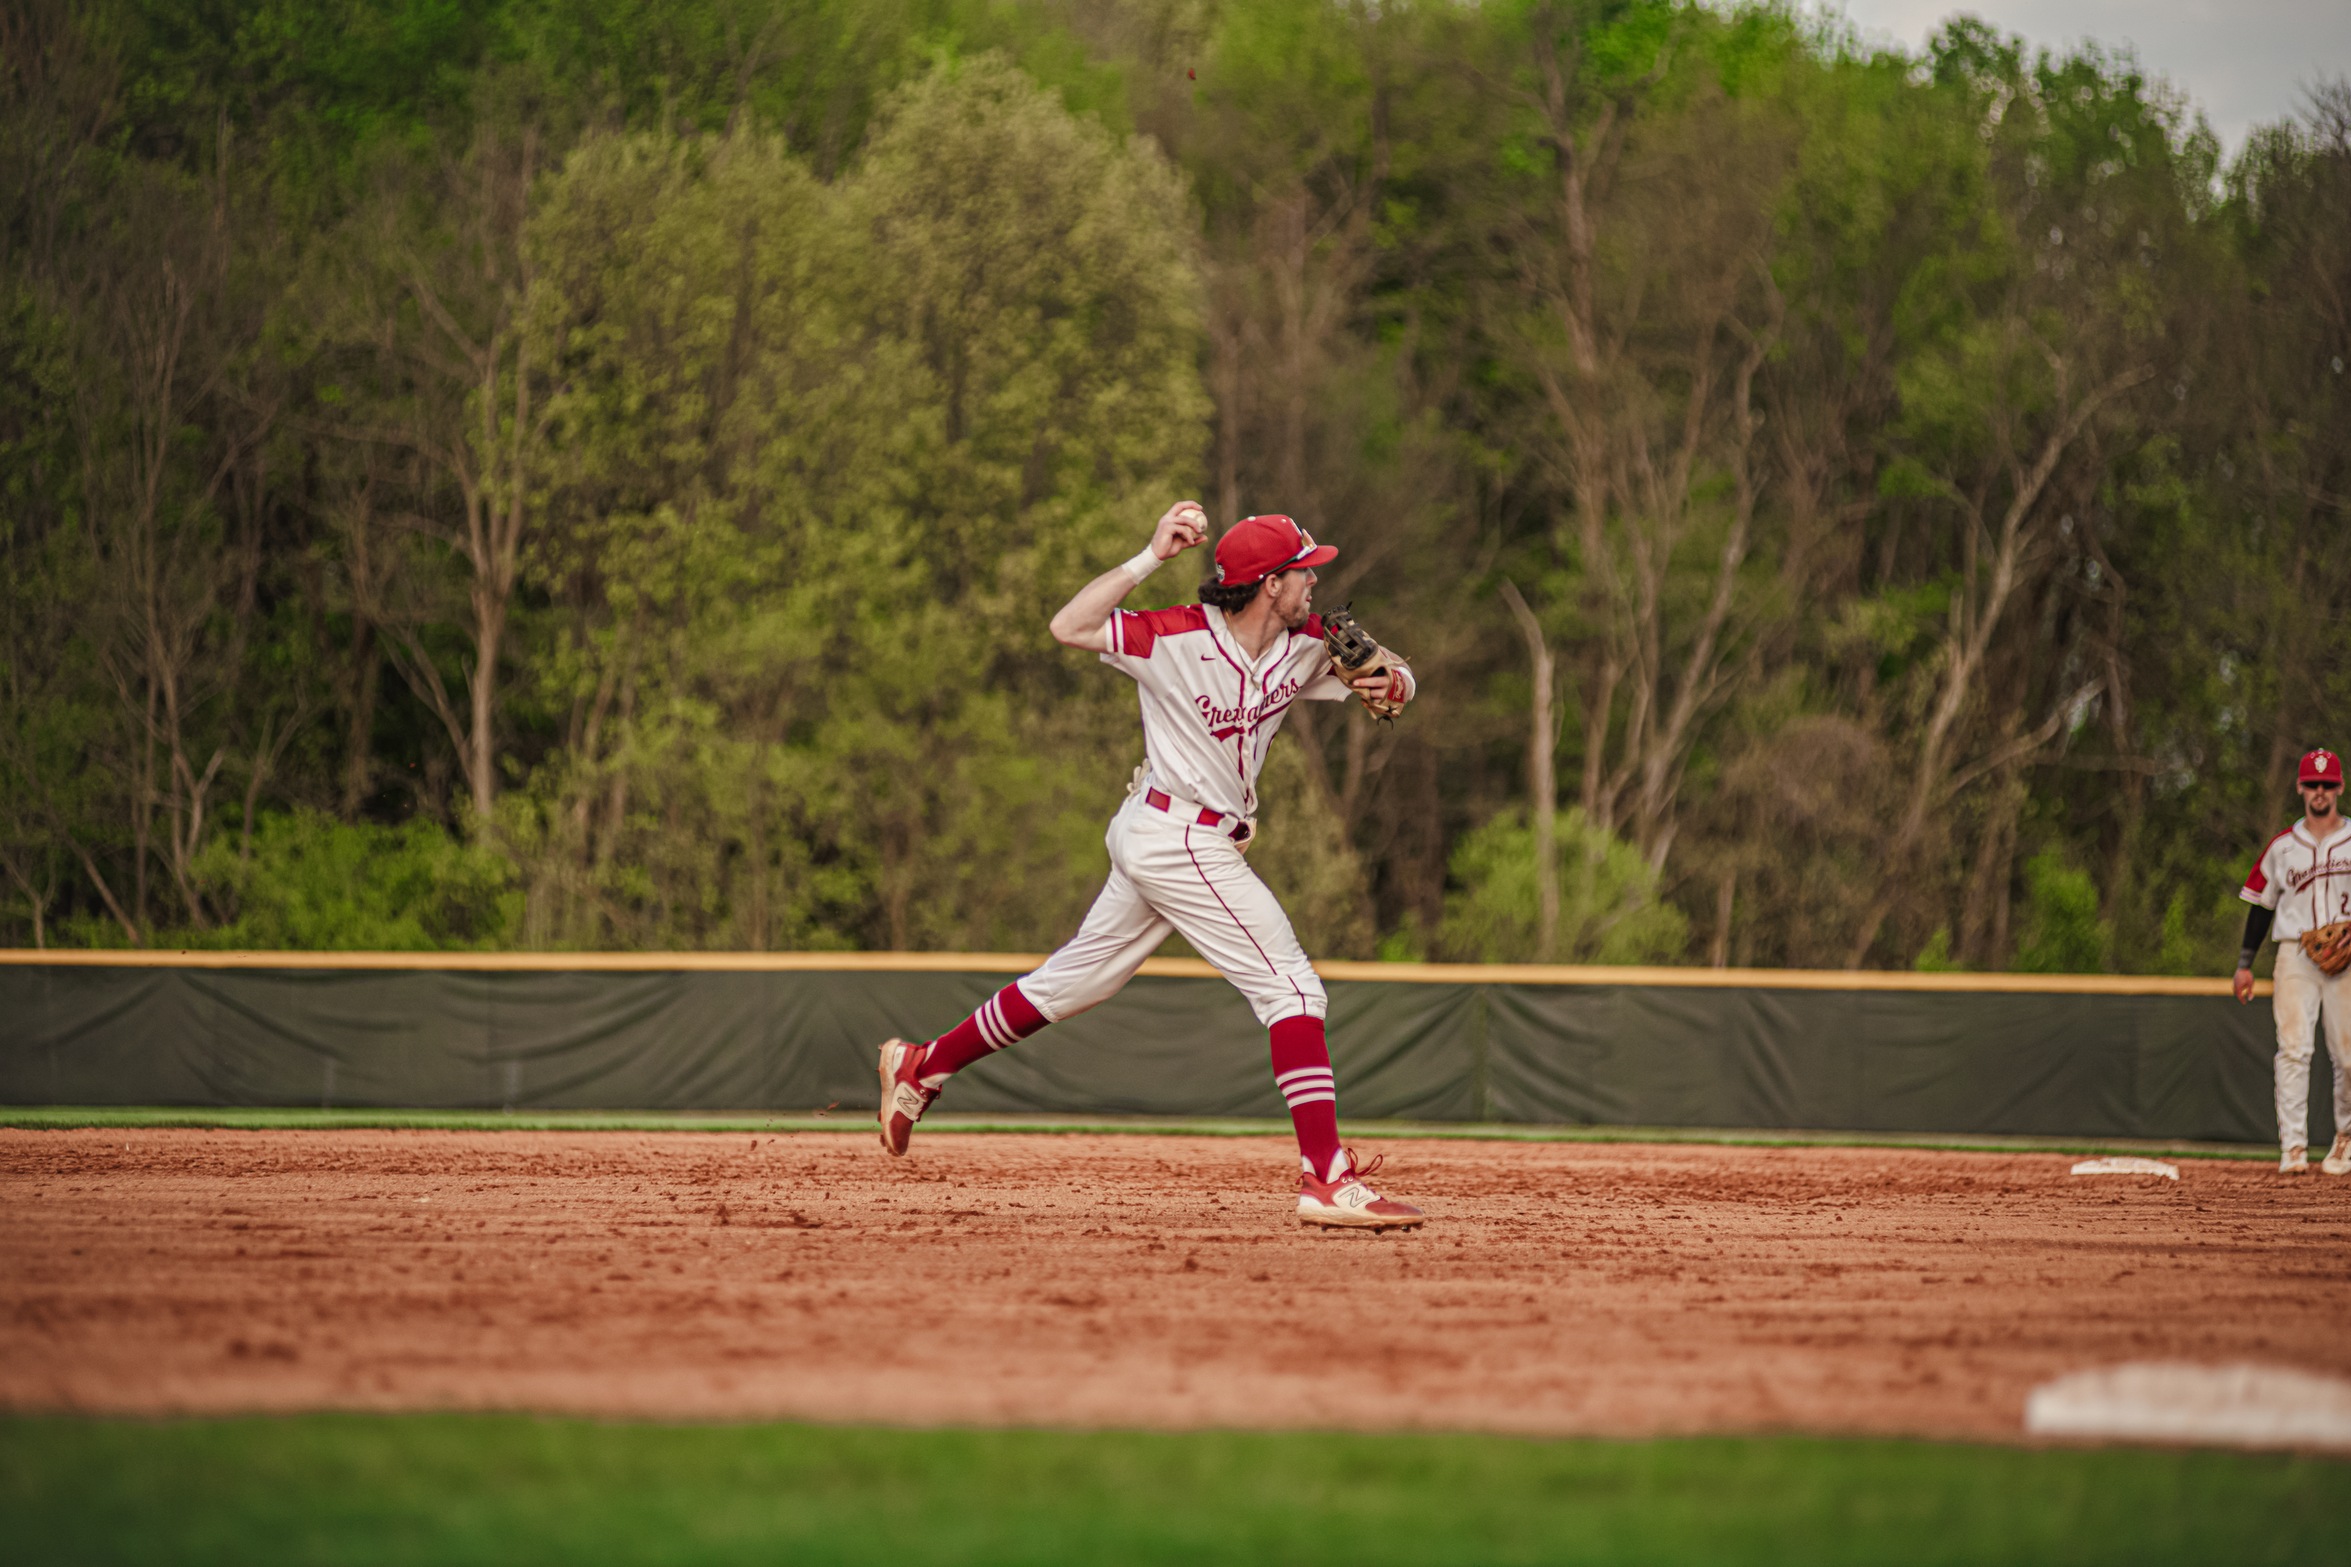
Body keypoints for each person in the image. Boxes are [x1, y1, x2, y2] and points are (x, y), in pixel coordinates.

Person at [874, 502, 1425, 1229]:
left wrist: (1388, 678)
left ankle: (921, 1066)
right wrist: (1147, 557)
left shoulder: (1307, 643)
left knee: (1073, 981)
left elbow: (1400, 684)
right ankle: (1324, 1176)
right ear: (1268, 583)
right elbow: (1066, 626)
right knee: (1292, 988)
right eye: (1302, 572)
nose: (1313, 582)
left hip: (1178, 837)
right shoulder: (1171, 635)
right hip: (1173, 835)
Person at [2233, 747, 2351, 1174]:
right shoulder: (2283, 848)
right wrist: (2245, 962)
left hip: (2348, 959)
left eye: (2327, 784)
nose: (2320, 791)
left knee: (2348, 1055)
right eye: (2312, 784)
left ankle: (2344, 1139)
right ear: (2301, 788)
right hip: (2295, 955)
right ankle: (2294, 1149)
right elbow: (2261, 906)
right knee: (2295, 1050)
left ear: (2338, 787)